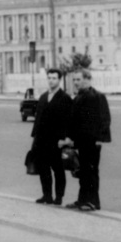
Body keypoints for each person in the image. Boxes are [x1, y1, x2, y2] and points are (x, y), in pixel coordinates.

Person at [62, 69, 111, 212]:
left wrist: (100, 139)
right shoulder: (79, 96)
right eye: (74, 80)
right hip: (82, 141)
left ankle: (94, 202)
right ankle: (82, 200)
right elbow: (74, 121)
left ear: (88, 79)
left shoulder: (97, 96)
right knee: (83, 172)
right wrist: (70, 138)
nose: (76, 82)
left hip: (92, 141)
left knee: (91, 171)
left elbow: (105, 119)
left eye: (78, 79)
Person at [31, 67, 73, 206]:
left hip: (56, 141)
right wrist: (35, 139)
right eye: (49, 78)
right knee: (43, 169)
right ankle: (47, 195)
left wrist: (66, 139)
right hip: (42, 140)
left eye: (54, 78)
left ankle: (59, 197)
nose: (51, 80)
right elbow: (38, 119)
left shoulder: (65, 98)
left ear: (59, 80)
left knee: (58, 169)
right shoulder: (43, 97)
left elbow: (69, 121)